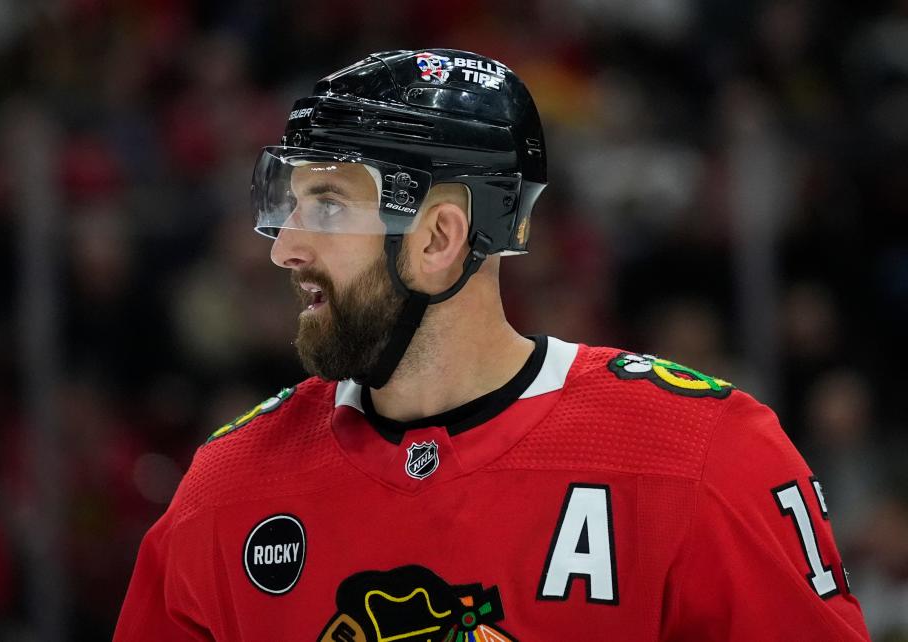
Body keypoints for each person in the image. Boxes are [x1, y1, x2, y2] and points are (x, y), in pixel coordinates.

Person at [113, 49, 870, 641]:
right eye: (291, 205)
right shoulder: (226, 491)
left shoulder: (700, 455)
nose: (285, 250)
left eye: (331, 208)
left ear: (441, 237)